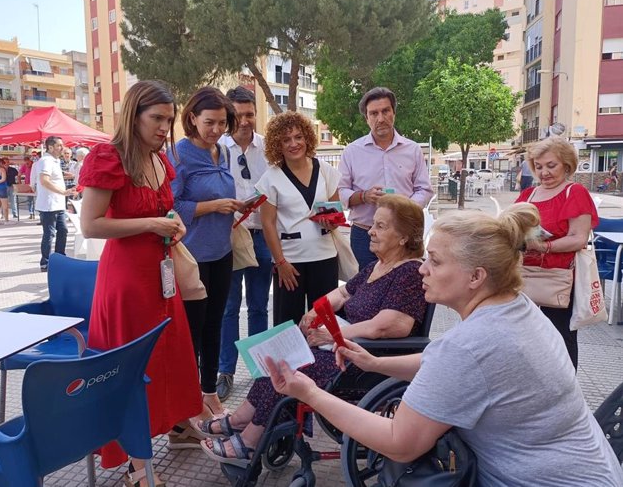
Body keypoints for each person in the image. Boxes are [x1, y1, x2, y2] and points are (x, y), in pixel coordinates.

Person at [266, 203, 623, 487]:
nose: (422, 269)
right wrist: (377, 364)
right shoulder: (516, 307)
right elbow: (446, 360)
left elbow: (399, 442)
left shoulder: (472, 345)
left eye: (435, 261)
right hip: (590, 468)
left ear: (476, 276)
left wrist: (309, 394)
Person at [200, 194, 429, 465]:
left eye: (381, 226)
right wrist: (315, 311)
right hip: (343, 347)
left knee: (289, 366)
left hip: (366, 359)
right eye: (373, 224)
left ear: (403, 237)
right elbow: (343, 294)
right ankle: (240, 419)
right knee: (276, 354)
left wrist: (335, 336)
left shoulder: (409, 273)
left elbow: (391, 326)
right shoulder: (376, 266)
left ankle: (250, 441)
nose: (371, 231)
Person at [80, 80, 202, 485]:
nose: (165, 128)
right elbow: (90, 225)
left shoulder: (159, 161)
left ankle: (178, 426)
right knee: (134, 366)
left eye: (169, 119)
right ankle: (137, 464)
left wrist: (174, 223)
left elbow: (164, 208)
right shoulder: (108, 157)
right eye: (157, 118)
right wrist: (152, 223)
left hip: (160, 275)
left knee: (169, 354)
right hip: (126, 281)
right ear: (134, 116)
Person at [170, 86, 243, 418]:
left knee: (215, 325)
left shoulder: (223, 152)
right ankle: (186, 405)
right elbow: (170, 207)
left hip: (222, 251)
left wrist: (234, 207)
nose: (217, 130)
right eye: (210, 122)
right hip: (192, 256)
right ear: (192, 118)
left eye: (223, 123)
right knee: (192, 333)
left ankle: (210, 393)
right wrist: (212, 205)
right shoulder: (179, 154)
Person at [516, 136, 598, 369]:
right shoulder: (529, 195)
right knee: (527, 334)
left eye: (551, 166)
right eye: (539, 167)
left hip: (560, 276)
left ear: (567, 164)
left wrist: (544, 246)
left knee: (561, 335)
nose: (544, 173)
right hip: (526, 273)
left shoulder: (575, 192)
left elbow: (578, 238)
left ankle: (565, 390)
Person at [256, 111, 341, 327]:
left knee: (325, 324)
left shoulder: (326, 171)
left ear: (307, 138)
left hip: (324, 256)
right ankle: (289, 363)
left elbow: (336, 213)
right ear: (278, 144)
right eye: (286, 139)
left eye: (298, 137)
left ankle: (326, 362)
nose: (294, 144)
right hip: (290, 263)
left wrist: (331, 222)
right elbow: (267, 224)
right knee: (288, 325)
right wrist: (280, 262)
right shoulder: (270, 178)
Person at [216, 87, 271, 402]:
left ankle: (261, 369)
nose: (246, 121)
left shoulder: (267, 148)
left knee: (260, 307)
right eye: (239, 115)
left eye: (250, 114)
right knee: (228, 308)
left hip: (262, 235)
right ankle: (226, 371)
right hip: (230, 236)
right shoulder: (218, 149)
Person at [338, 87, 433, 269]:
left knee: (403, 288)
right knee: (366, 289)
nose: (380, 119)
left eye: (385, 111)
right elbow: (341, 191)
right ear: (366, 118)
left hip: (404, 235)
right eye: (373, 113)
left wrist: (404, 209)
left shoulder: (412, 150)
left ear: (394, 113)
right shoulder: (352, 151)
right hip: (365, 234)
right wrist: (364, 196)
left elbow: (424, 189)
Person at [35, 137, 75, 272]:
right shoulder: (46, 160)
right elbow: (44, 181)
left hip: (58, 204)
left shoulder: (56, 161)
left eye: (62, 145)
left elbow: (54, 177)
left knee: (63, 230)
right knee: (49, 234)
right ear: (50, 147)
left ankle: (60, 258)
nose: (62, 148)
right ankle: (45, 262)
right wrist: (63, 192)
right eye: (59, 146)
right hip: (48, 204)